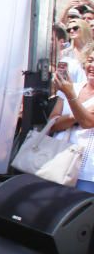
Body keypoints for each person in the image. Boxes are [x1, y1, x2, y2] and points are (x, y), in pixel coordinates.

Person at [52, 47, 94, 193]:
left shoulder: (68, 90)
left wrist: (70, 96)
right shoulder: (70, 88)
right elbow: (53, 124)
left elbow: (87, 122)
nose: (92, 66)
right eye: (90, 60)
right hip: (56, 163)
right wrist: (79, 115)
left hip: (87, 172)